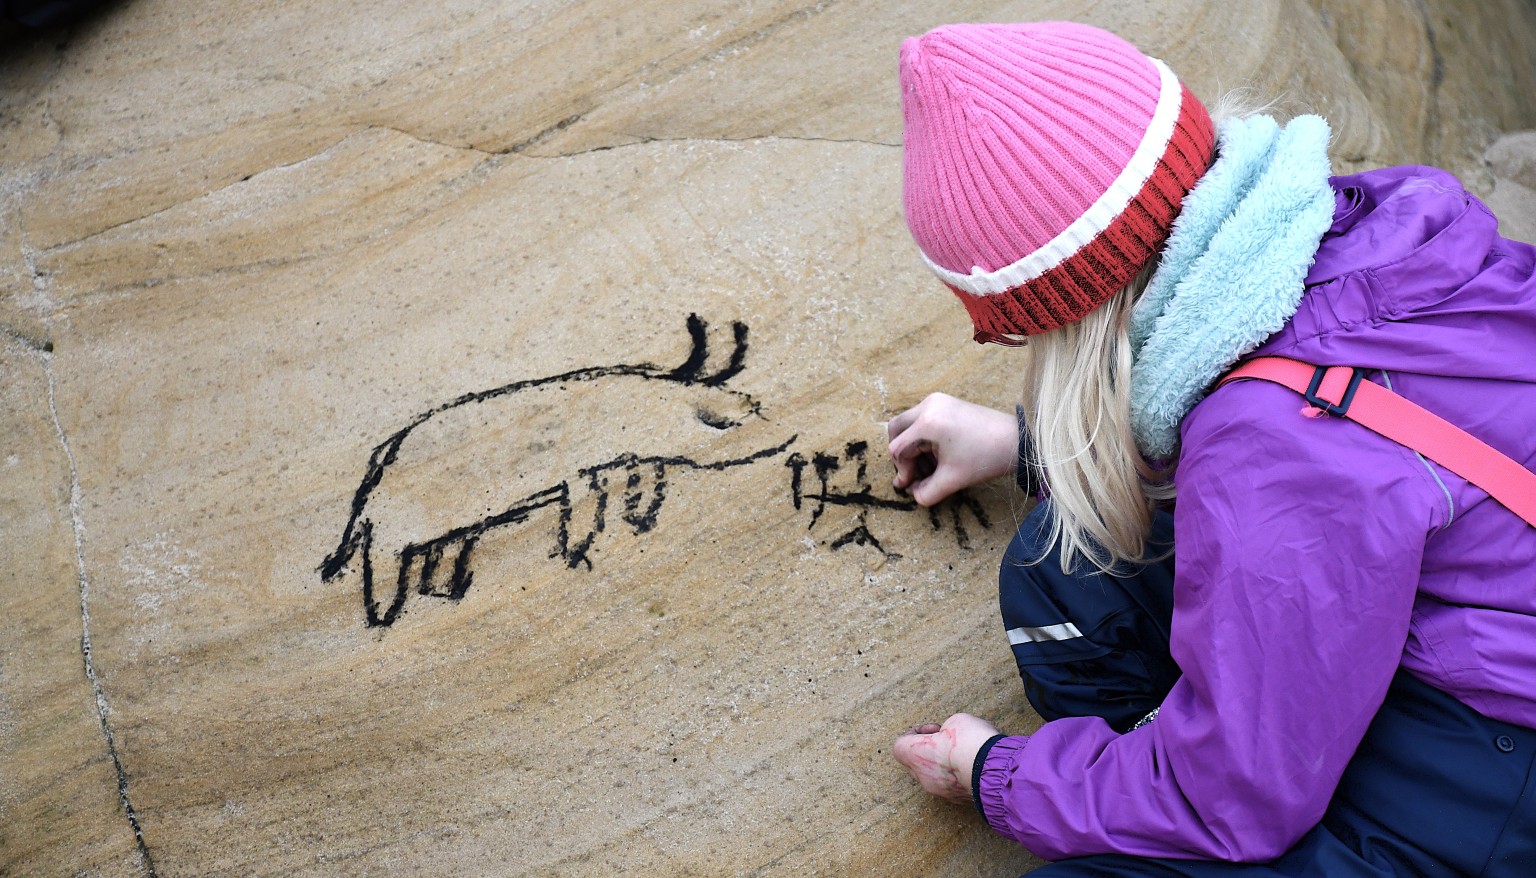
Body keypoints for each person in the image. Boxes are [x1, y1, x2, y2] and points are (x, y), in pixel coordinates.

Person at [885, 20, 1536, 876]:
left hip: (1493, 756)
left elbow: (1229, 798)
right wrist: (1037, 444)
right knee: (1065, 564)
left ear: (1069, 317)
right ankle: (1207, 750)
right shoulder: (1355, 228)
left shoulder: (1273, 447)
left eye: (1023, 336)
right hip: (1459, 600)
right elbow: (1354, 441)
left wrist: (997, 774)